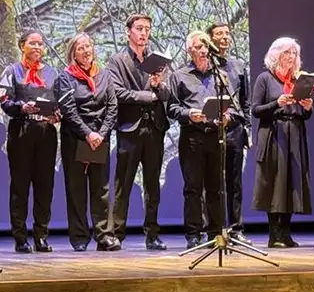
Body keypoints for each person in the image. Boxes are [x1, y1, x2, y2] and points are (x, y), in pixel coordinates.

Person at [107, 13, 169, 251]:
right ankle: (117, 233)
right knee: (124, 184)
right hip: (129, 129)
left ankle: (152, 233)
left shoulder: (157, 60)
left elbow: (166, 95)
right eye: (139, 28)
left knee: (152, 184)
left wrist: (158, 86)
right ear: (128, 32)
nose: (144, 33)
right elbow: (118, 93)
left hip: (154, 128)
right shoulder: (118, 60)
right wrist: (147, 95)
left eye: (147, 29)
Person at [54, 33, 119, 251]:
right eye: (81, 48)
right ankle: (80, 237)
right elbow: (69, 111)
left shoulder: (104, 75)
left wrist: (101, 133)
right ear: (73, 53)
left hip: (100, 138)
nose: (86, 51)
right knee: (76, 189)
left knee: (101, 189)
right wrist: (88, 134)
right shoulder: (65, 78)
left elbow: (112, 106)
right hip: (76, 139)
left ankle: (104, 235)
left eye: (88, 46)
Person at [166, 31, 231, 248]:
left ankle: (215, 233)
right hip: (192, 136)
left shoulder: (219, 75)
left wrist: (227, 115)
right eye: (198, 47)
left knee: (215, 187)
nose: (203, 50)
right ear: (189, 51)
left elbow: (232, 103)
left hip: (215, 135)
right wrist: (189, 113)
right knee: (193, 188)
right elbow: (171, 108)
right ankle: (193, 234)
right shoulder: (179, 75)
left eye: (205, 46)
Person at [0, 30, 61, 253]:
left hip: (46, 131)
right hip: (21, 130)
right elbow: (4, 102)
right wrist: (21, 107)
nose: (37, 47)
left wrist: (57, 114)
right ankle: (20, 237)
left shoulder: (53, 73)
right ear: (21, 45)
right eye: (32, 43)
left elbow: (61, 100)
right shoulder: (12, 71)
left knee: (45, 186)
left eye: (40, 44)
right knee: (20, 186)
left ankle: (41, 235)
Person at [250, 37, 314, 247]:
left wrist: (307, 107)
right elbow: (255, 110)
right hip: (274, 133)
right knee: (276, 182)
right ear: (276, 54)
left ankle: (286, 233)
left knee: (292, 182)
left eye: (294, 53)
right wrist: (276, 103)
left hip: (295, 132)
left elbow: (305, 115)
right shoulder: (265, 78)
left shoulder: (298, 80)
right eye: (287, 52)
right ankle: (274, 234)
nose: (291, 57)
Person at [207, 22, 250, 240]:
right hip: (212, 130)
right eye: (219, 34)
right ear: (210, 39)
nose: (225, 37)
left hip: (235, 128)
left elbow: (245, 101)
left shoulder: (238, 65)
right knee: (214, 183)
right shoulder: (206, 65)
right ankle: (214, 229)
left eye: (227, 33)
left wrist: (247, 129)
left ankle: (236, 229)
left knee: (235, 182)